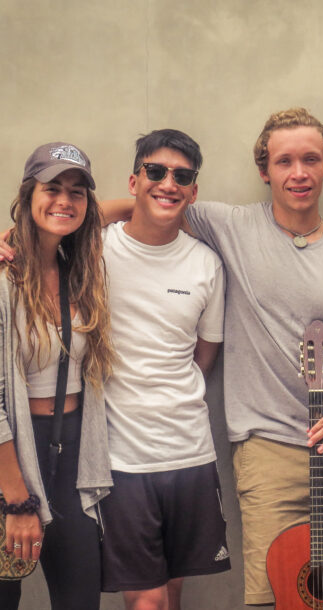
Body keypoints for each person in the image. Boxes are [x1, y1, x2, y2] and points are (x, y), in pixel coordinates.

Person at [103, 108, 323, 608]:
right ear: (264, 169)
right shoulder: (226, 224)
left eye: (311, 159)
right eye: (285, 161)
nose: (299, 173)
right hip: (266, 448)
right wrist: (42, 235)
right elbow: (151, 203)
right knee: (276, 594)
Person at [98, 129, 230, 610]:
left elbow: (205, 356)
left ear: (193, 192)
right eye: (155, 171)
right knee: (147, 601)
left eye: (182, 176)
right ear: (134, 180)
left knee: (174, 591)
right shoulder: (96, 251)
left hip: (191, 454)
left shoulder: (207, 265)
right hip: (122, 461)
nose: (167, 183)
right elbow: (50, 219)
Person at [0, 142, 114, 609]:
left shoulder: (79, 272)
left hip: (69, 456)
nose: (65, 201)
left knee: (80, 598)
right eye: (52, 188)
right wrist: (17, 500)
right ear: (28, 196)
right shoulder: (4, 278)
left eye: (77, 192)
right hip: (9, 457)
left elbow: (132, 208)